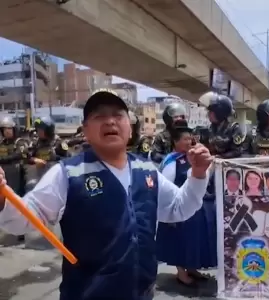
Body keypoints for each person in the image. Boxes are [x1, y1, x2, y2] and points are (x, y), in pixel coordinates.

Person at [0, 90, 213, 300]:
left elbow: (178, 208)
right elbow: (23, 220)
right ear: (85, 130)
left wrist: (198, 174)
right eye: (99, 116)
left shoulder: (147, 170)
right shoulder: (68, 173)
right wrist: (2, 197)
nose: (110, 121)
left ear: (129, 128)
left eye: (118, 115)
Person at [156, 120, 216, 287]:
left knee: (194, 241)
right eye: (185, 139)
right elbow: (168, 186)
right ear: (175, 142)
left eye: (191, 139)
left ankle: (192, 268)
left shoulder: (193, 157)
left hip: (195, 208)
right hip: (178, 208)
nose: (189, 142)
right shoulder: (171, 161)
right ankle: (181, 273)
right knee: (180, 242)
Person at [24, 116, 70, 192]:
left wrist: (55, 159)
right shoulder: (36, 143)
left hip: (56, 179)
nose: (39, 131)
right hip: (40, 178)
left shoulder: (58, 143)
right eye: (38, 129)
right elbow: (25, 155)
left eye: (41, 129)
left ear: (49, 130)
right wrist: (34, 159)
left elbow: (68, 160)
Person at [200, 91, 244, 158]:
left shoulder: (234, 128)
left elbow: (237, 151)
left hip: (228, 166)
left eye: (211, 112)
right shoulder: (209, 129)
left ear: (220, 112)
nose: (208, 114)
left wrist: (220, 157)